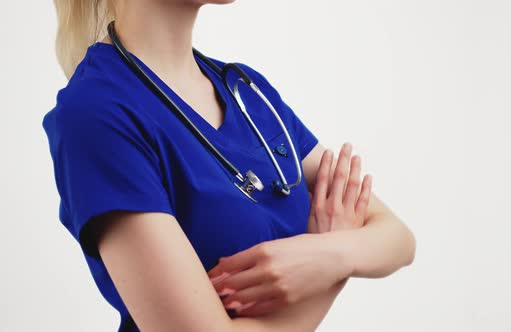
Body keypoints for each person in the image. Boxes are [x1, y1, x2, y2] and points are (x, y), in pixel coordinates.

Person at [42, 0, 416, 331]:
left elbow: (397, 238)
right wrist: (328, 274)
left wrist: (328, 254)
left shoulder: (247, 92)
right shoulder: (97, 113)